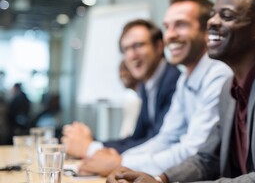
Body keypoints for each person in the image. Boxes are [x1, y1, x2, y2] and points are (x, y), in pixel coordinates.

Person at [107, 0, 255, 183]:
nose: (212, 23)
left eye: (227, 16)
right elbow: (206, 159)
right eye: (213, 14)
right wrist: (160, 179)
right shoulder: (228, 88)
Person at [77, 0, 233, 176]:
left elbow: (193, 151)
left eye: (181, 25)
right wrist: (119, 160)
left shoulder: (219, 74)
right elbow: (165, 139)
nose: (170, 35)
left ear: (207, 31)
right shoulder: (185, 78)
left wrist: (120, 162)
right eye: (167, 27)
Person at [62, 19, 181, 158]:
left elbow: (159, 143)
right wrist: (92, 144)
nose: (131, 55)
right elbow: (136, 138)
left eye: (138, 45)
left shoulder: (174, 81)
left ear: (159, 46)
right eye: (126, 49)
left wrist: (90, 148)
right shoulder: (145, 86)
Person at [118, 60, 142, 138]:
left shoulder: (135, 100)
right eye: (120, 71)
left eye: (126, 70)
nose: (122, 74)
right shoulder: (131, 97)